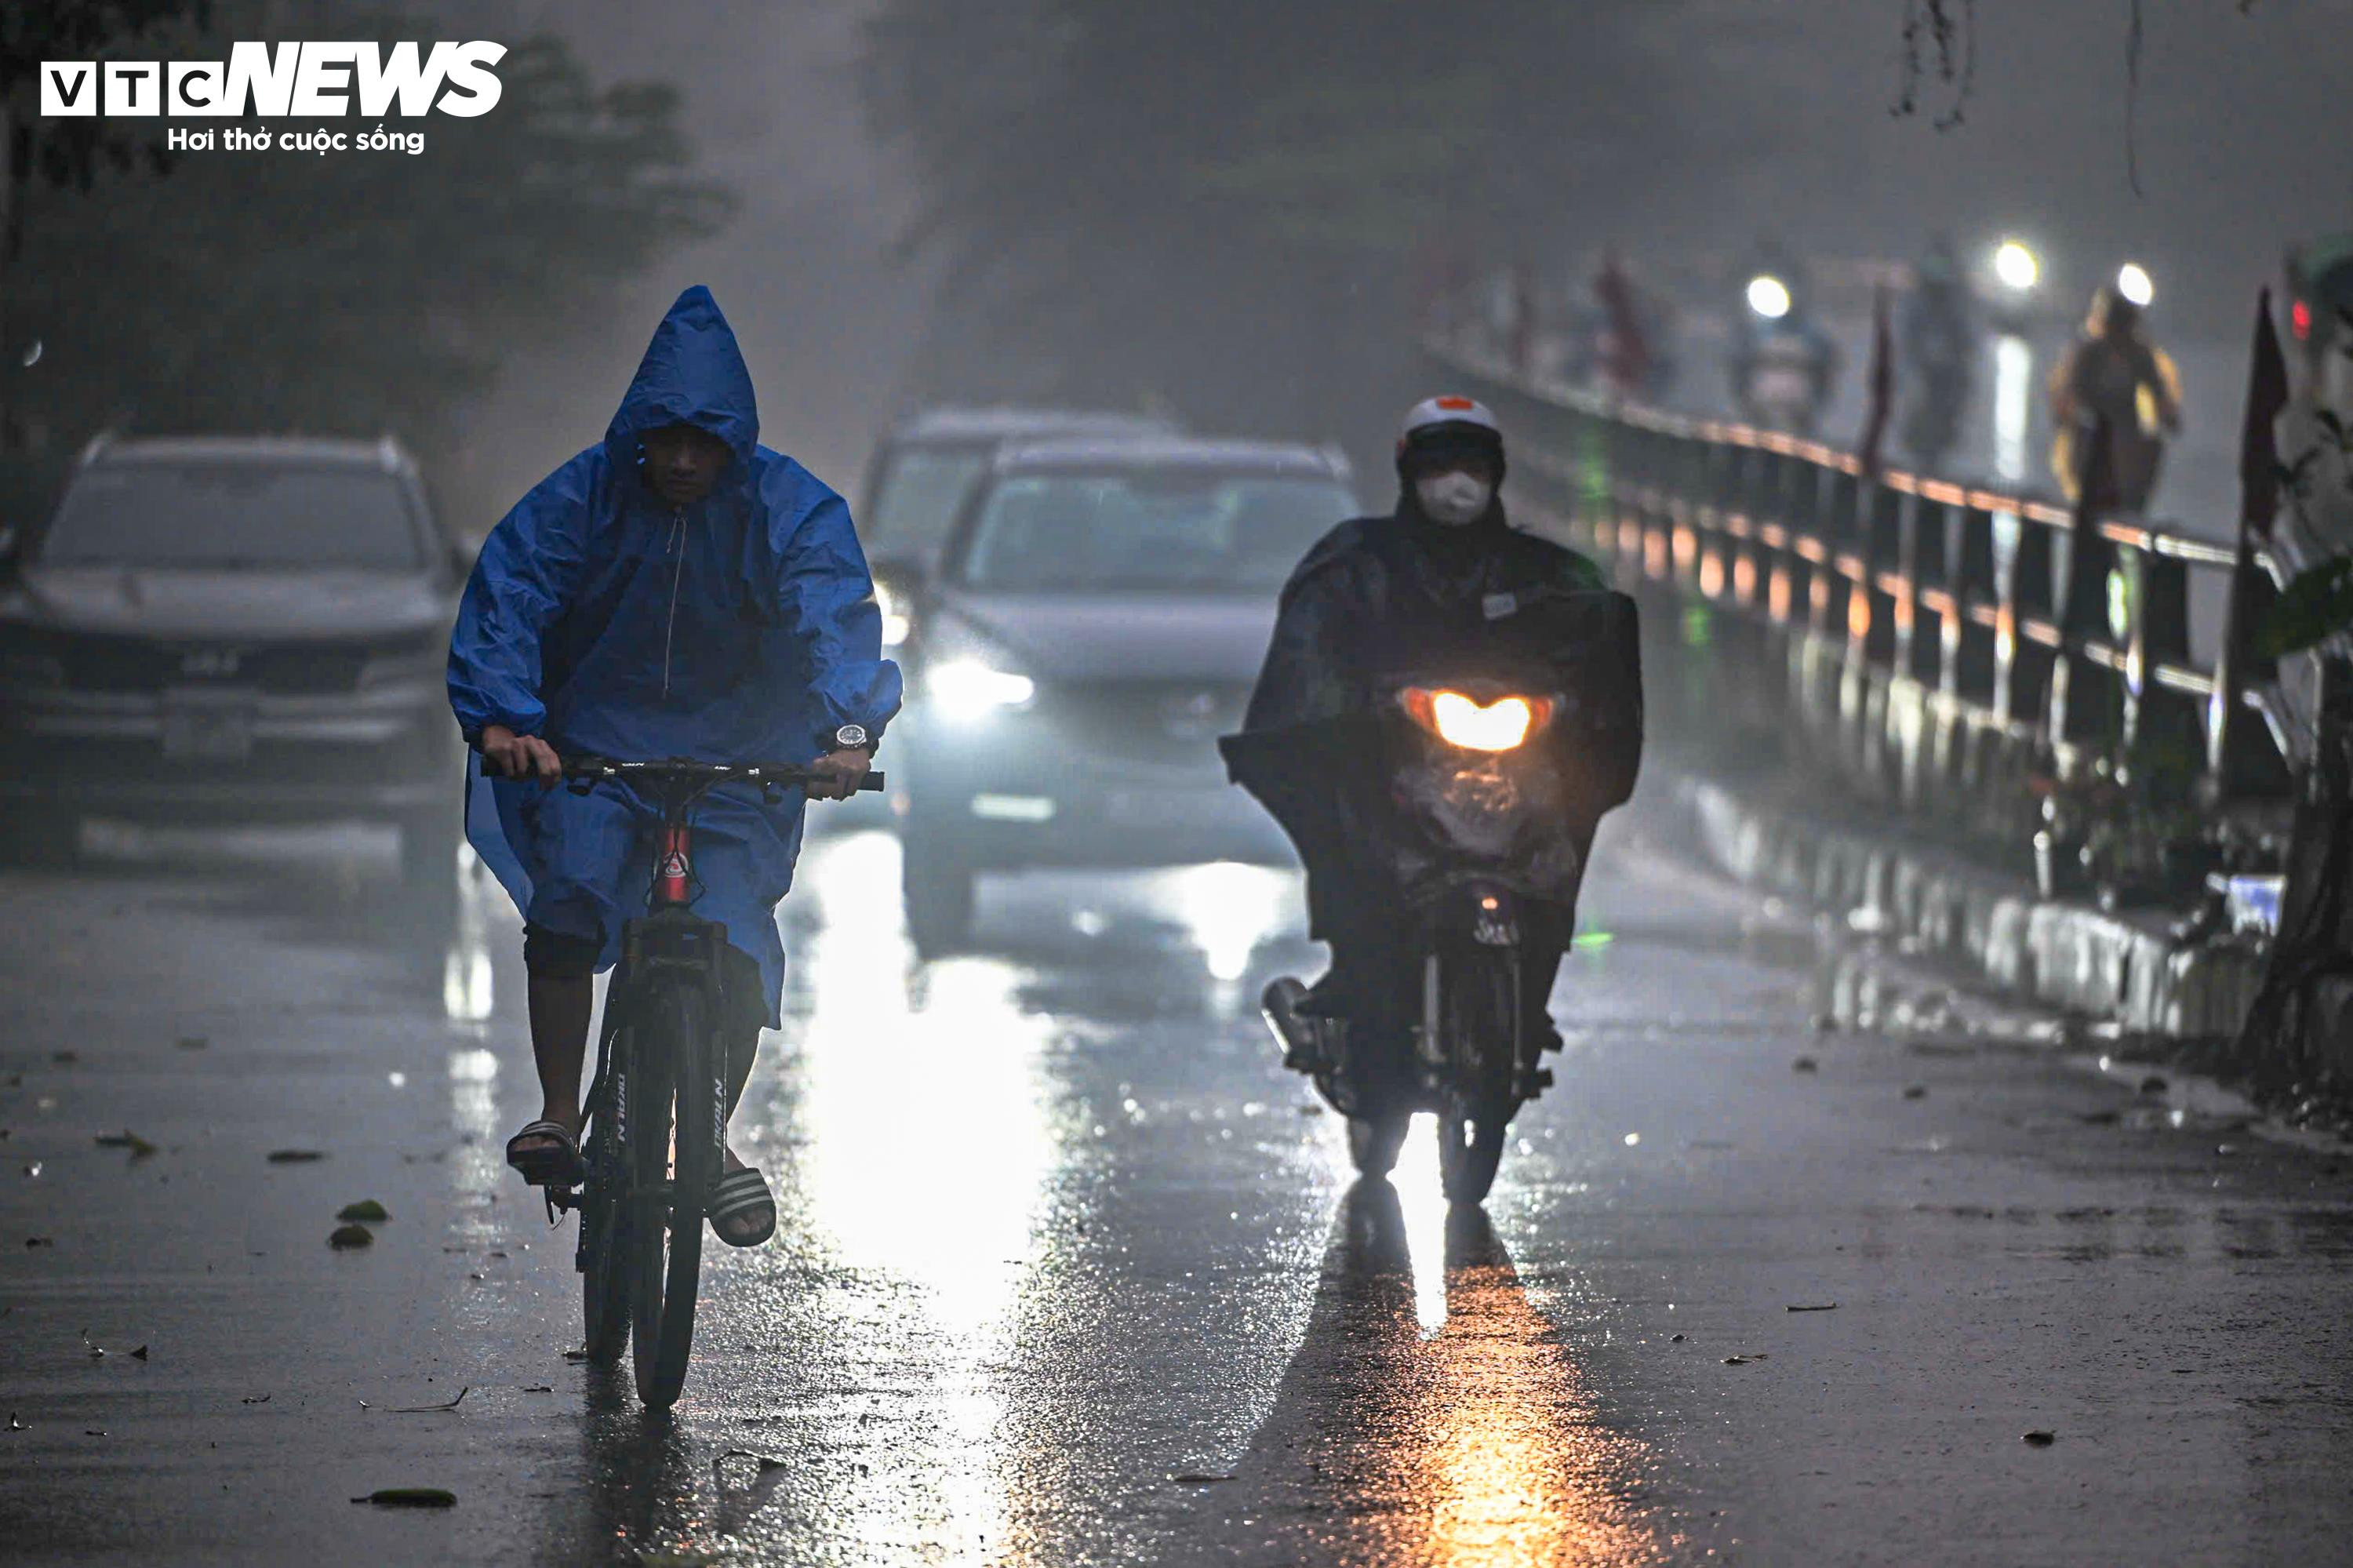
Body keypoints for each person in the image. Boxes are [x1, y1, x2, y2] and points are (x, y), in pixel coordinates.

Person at [446, 286, 902, 1247]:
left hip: (750, 750)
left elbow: (832, 608)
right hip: (594, 748)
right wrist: (503, 720)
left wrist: (848, 730)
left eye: (706, 441)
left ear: (734, 440)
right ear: (637, 436)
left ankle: (711, 1139)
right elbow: (514, 596)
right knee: (569, 899)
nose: (687, 460)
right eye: (669, 440)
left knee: (733, 940)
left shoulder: (789, 508)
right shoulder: (581, 498)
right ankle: (561, 1112)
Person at [1231, 396, 1614, 1095]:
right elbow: (1307, 650)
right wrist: (1344, 709)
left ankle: (1527, 1003)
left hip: (1509, 759)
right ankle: (1358, 992)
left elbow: (1589, 647)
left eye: (1471, 466)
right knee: (1364, 862)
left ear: (1495, 473)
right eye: (1440, 466)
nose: (1456, 484)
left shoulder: (1544, 572)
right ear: (1411, 472)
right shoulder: (1354, 562)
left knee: (1553, 842)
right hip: (1387, 762)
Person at [2049, 284, 2184, 513]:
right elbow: (2070, 392)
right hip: (2092, 433)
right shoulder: (2090, 354)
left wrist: (2168, 417)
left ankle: (2131, 511)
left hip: (2127, 436)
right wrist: (2069, 416)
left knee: (2145, 455)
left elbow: (2158, 390)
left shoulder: (2140, 355)